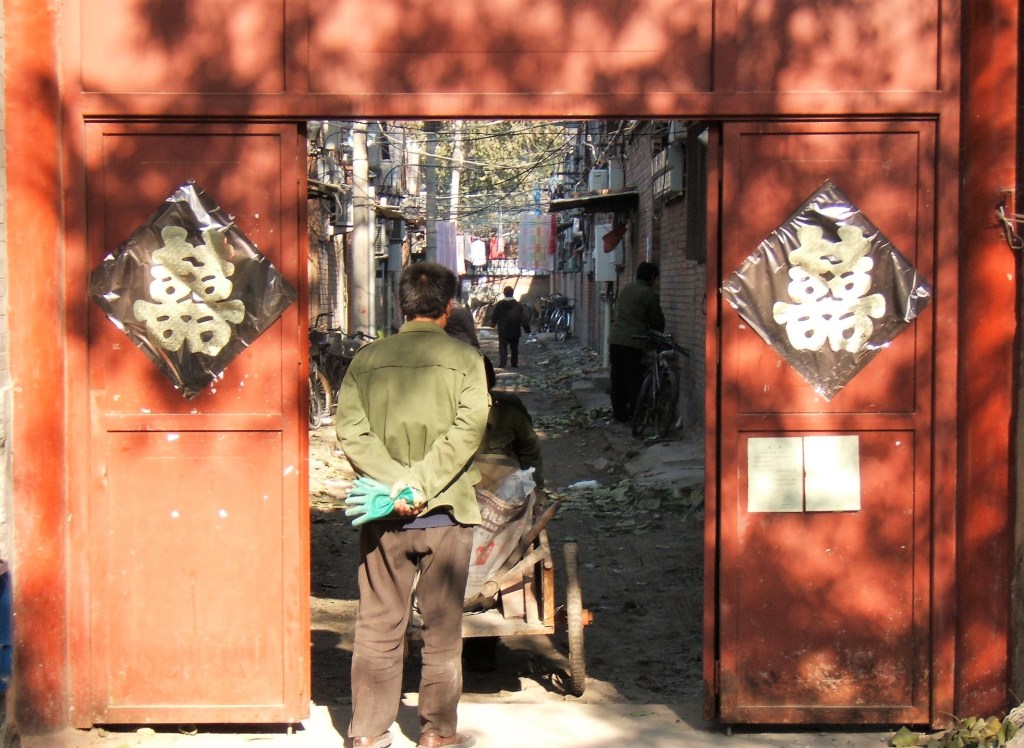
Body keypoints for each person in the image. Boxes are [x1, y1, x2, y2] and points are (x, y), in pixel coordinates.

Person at [336, 261, 488, 748]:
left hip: (383, 514)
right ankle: (437, 734)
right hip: (447, 514)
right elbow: (468, 429)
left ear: (401, 306)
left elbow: (350, 430)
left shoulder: (366, 360)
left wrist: (395, 486)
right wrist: (419, 486)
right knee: (442, 630)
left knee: (379, 624)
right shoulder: (466, 361)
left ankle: (367, 733)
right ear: (448, 307)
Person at [608, 261, 666, 423]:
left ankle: (618, 413)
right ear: (652, 277)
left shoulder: (626, 289)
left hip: (615, 339)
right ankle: (635, 412)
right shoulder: (649, 294)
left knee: (617, 377)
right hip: (633, 342)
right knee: (633, 378)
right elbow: (657, 321)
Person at [486, 286, 530, 368]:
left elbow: (495, 315)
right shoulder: (518, 305)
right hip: (515, 330)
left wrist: (493, 323)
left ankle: (503, 362)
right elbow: (523, 318)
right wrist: (527, 329)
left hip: (503, 330)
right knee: (514, 348)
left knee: (502, 346)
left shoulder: (500, 304)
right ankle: (514, 363)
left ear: (504, 293)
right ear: (512, 293)